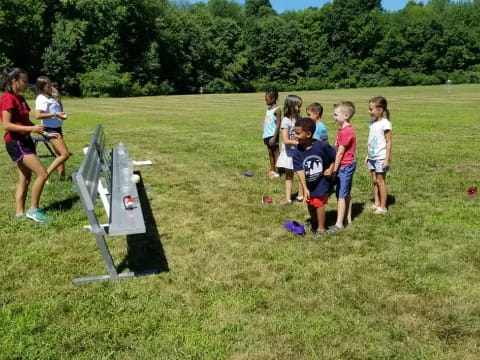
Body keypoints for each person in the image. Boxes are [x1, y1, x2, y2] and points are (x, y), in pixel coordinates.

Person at [0, 68, 53, 223]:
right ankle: (34, 210)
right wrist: (31, 129)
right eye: (24, 81)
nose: (26, 84)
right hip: (16, 142)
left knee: (25, 178)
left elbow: (26, 121)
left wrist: (44, 133)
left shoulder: (20, 98)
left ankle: (19, 213)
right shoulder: (8, 98)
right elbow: (7, 125)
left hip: (25, 140)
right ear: (13, 81)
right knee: (43, 174)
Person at [293, 117, 335, 236]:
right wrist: (305, 188)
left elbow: (333, 157)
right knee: (310, 203)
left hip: (321, 182)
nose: (295, 136)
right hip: (309, 183)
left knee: (318, 203)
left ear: (308, 134)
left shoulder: (322, 146)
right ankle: (315, 222)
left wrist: (331, 168)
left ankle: (321, 229)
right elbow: (300, 170)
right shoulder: (297, 151)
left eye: (297, 133)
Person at [329, 102, 357, 232]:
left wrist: (334, 170)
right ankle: (348, 219)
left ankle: (339, 224)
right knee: (345, 193)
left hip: (345, 166)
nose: (333, 117)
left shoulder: (346, 132)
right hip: (345, 166)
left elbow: (340, 153)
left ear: (345, 115)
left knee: (341, 195)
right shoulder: (342, 130)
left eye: (336, 115)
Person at [35, 76, 70, 180]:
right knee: (65, 154)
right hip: (50, 130)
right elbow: (38, 115)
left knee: (59, 154)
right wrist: (56, 115)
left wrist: (59, 98)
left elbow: (60, 111)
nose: (50, 87)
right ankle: (46, 175)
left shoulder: (50, 98)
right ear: (41, 87)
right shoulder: (41, 99)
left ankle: (62, 178)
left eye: (50, 84)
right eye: (48, 85)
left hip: (57, 128)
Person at [366, 96, 392, 214]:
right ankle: (376, 203)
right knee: (374, 180)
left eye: (371, 109)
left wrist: (386, 159)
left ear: (380, 110)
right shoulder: (372, 123)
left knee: (380, 180)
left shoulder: (385, 123)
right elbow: (371, 140)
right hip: (372, 157)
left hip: (380, 157)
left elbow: (388, 142)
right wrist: (368, 155)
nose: (369, 112)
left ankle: (383, 206)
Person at [276, 94, 303, 205]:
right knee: (289, 175)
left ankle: (301, 195)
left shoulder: (300, 119)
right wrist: (298, 142)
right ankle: (288, 198)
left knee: (302, 175)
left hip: (300, 152)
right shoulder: (286, 121)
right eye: (298, 106)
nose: (300, 108)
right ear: (291, 106)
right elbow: (286, 140)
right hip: (289, 153)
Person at [263, 88, 281, 179]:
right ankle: (272, 170)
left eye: (267, 99)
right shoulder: (268, 109)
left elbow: (278, 124)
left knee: (276, 152)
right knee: (270, 152)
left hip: (273, 135)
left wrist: (274, 137)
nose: (265, 101)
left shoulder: (277, 110)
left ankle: (277, 172)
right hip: (267, 135)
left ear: (273, 99)